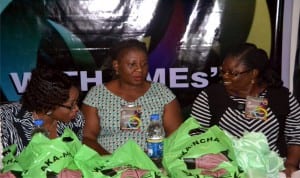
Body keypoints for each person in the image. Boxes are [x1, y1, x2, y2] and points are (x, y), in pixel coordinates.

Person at [190, 43, 300, 178]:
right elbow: (195, 137)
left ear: (253, 73)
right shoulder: (210, 97)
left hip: (272, 171)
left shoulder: (281, 97)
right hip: (225, 172)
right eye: (223, 71)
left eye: (233, 73)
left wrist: (290, 165)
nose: (225, 77)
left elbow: (296, 135)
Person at [81, 39, 183, 155]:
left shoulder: (162, 93)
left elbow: (176, 136)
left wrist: (151, 158)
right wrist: (111, 160)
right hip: (107, 165)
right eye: (132, 64)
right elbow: (87, 137)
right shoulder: (97, 94)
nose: (139, 69)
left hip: (152, 163)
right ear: (116, 65)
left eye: (144, 64)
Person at [0, 67, 84, 178]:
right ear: (48, 105)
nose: (77, 109)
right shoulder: (6, 119)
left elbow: (80, 159)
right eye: (71, 105)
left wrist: (79, 172)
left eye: (77, 102)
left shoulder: (75, 121)